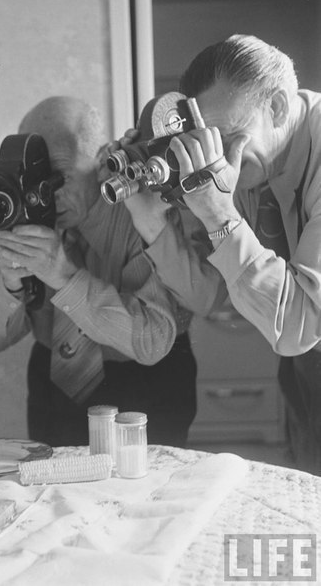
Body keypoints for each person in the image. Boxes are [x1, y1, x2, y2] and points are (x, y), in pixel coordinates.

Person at [120, 34, 321, 474]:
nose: (219, 160)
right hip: (305, 377)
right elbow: (213, 298)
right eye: (208, 140)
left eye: (230, 136)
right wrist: (151, 219)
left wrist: (218, 213)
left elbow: (298, 325)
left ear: (279, 108)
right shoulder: (256, 159)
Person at [0, 96, 198, 448]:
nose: (46, 196)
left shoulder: (143, 209)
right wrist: (12, 286)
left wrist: (63, 277)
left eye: (58, 177)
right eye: (34, 179)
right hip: (55, 381)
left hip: (146, 380)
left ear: (100, 158)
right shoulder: (21, 212)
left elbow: (153, 341)